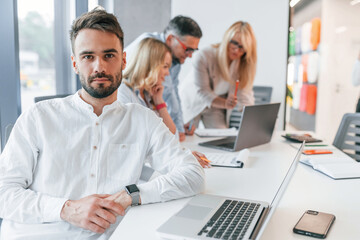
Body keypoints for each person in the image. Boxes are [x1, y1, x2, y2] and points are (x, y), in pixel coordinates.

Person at [0, 9, 205, 239]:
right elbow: (3, 193)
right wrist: (66, 209)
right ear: (75, 63)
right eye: (88, 56)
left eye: (109, 55)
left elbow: (193, 174)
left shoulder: (143, 121)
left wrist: (131, 195)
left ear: (123, 60)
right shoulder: (38, 117)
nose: (99, 67)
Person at [118, 38, 210, 168]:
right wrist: (181, 156)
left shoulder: (148, 95)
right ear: (149, 65)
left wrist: (160, 102)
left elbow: (173, 136)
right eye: (165, 66)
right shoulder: (123, 93)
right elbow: (138, 144)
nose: (167, 73)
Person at [125, 16, 202, 141]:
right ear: (171, 39)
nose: (190, 55)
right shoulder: (149, 48)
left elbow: (173, 93)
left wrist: (179, 126)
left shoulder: (175, 59)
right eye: (188, 49)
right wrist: (178, 130)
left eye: (194, 50)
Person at [180, 21, 257, 129]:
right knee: (188, 135)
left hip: (215, 105)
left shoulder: (241, 65)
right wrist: (225, 103)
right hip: (193, 101)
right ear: (227, 39)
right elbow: (203, 92)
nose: (237, 50)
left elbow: (244, 95)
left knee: (221, 136)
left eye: (242, 47)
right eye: (234, 43)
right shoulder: (204, 55)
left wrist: (253, 119)